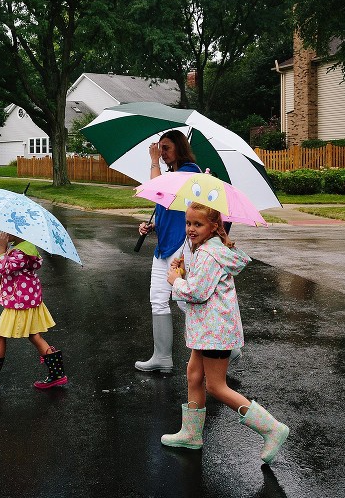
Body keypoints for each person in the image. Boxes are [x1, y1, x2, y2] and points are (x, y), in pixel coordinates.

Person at [161, 202, 289, 464]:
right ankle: (191, 434)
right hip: (207, 328)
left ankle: (272, 428)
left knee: (216, 386)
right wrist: (184, 271)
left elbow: (197, 292)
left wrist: (176, 280)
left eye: (198, 224)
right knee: (194, 374)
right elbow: (202, 284)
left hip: (214, 331)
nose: (191, 229)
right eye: (188, 223)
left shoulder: (209, 254)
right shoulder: (207, 249)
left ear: (214, 226)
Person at [0, 231, 67, 390]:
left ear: (20, 232)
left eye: (7, 230)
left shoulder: (20, 252)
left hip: (19, 302)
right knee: (34, 335)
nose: (3, 233)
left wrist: (1, 248)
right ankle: (57, 374)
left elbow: (3, 268)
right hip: (27, 299)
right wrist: (6, 249)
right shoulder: (25, 248)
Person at [134, 130, 200, 373]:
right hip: (164, 247)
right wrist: (152, 226)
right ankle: (162, 357)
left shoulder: (191, 172)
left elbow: (159, 190)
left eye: (166, 148)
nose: (161, 153)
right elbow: (166, 207)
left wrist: (152, 162)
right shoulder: (173, 174)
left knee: (185, 301)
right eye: (159, 148)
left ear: (179, 148)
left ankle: (225, 350)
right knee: (158, 300)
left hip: (181, 246)